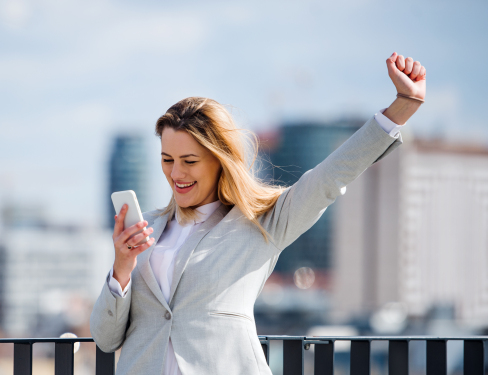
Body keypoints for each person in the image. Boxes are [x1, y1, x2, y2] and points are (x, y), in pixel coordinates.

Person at [90, 52, 426, 375]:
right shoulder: (145, 228)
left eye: (189, 161)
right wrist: (122, 266)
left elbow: (329, 177)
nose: (176, 173)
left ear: (219, 159)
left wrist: (400, 109)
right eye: (167, 159)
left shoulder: (262, 222)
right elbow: (106, 339)